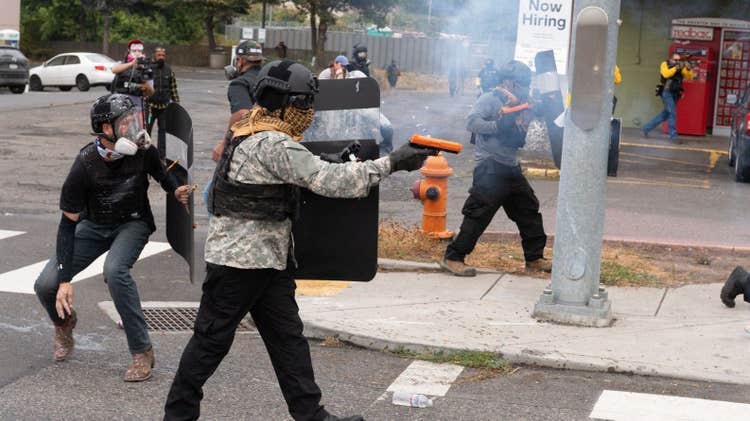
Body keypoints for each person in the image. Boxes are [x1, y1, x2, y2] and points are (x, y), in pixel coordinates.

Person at [163, 59, 432, 420]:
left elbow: (291, 171)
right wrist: (394, 162)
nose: (307, 111)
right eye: (303, 102)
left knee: (288, 342)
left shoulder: (247, 129)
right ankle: (177, 416)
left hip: (268, 262)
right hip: (240, 265)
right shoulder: (274, 143)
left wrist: (326, 161)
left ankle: (311, 415)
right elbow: (333, 182)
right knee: (210, 343)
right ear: (283, 102)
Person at [33, 93, 193, 381]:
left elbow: (162, 176)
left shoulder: (144, 151)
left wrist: (176, 190)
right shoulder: (84, 164)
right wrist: (65, 279)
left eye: (134, 119)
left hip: (133, 224)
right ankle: (64, 323)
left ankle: (142, 350)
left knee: (115, 272)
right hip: (93, 226)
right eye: (126, 122)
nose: (133, 126)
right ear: (106, 129)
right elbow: (67, 225)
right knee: (46, 284)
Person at [439, 60, 550, 277]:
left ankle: (534, 259)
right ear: (507, 81)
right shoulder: (491, 99)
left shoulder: (524, 100)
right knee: (478, 214)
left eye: (526, 84)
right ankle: (453, 258)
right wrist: (496, 126)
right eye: (520, 83)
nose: (524, 88)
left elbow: (537, 114)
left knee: (528, 211)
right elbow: (472, 123)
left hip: (510, 166)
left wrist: (546, 105)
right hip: (490, 166)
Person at [205, 40, 265, 212]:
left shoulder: (240, 83)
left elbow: (242, 114)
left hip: (248, 147)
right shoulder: (268, 79)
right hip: (274, 143)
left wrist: (224, 144)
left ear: (240, 61)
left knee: (211, 195)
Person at [641, 53, 693, 143]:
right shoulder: (664, 64)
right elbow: (665, 74)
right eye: (675, 60)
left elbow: (689, 77)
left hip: (676, 93)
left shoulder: (680, 66)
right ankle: (673, 136)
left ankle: (646, 128)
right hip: (666, 92)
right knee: (672, 113)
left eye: (678, 60)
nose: (677, 61)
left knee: (666, 114)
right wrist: (676, 67)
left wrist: (688, 68)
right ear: (671, 59)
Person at [111, 39, 155, 122]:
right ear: (129, 50)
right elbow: (114, 69)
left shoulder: (146, 68)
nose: (137, 52)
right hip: (120, 106)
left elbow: (151, 92)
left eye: (139, 50)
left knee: (139, 132)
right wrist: (131, 64)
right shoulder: (122, 63)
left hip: (138, 108)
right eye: (134, 50)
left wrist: (144, 79)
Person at [146, 47, 180, 154]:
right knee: (147, 130)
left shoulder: (168, 70)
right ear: (154, 56)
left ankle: (161, 155)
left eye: (163, 55)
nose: (161, 57)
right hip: (150, 106)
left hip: (164, 106)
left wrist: (176, 104)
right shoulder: (148, 69)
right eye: (159, 55)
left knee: (163, 131)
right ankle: (145, 152)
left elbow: (173, 88)